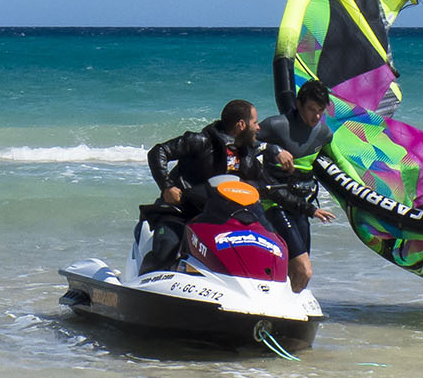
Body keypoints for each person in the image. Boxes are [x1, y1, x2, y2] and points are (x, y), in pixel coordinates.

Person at [142, 99, 311, 278]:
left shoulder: (246, 156)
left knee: (258, 253)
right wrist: (167, 187)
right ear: (241, 125)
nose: (259, 128)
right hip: (180, 212)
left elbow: (268, 187)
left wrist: (309, 208)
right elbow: (158, 152)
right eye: (255, 123)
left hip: (217, 218)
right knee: (165, 254)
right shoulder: (201, 141)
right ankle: (141, 288)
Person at [258, 80, 339, 292]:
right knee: (304, 269)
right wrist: (272, 148)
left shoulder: (324, 133)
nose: (316, 116)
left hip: (300, 206)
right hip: (273, 204)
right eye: (311, 109)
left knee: (296, 270)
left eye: (320, 111)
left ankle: (284, 311)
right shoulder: (276, 125)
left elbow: (339, 162)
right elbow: (238, 141)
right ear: (298, 104)